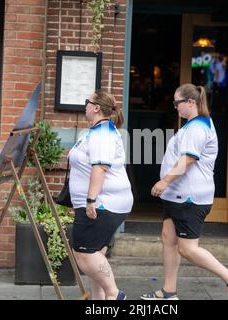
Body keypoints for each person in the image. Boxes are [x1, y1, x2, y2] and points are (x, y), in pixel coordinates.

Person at [140, 83, 228, 301]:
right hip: (177, 196)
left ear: (191, 103)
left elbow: (187, 159)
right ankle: (169, 292)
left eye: (177, 103)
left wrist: (164, 182)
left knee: (187, 249)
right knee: (168, 239)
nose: (175, 107)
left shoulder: (197, 128)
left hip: (189, 197)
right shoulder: (193, 125)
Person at [68, 90, 133, 300]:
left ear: (96, 108)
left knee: (84, 252)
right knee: (96, 253)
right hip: (102, 202)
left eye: (87, 102)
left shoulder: (102, 134)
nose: (84, 105)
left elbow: (100, 167)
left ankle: (114, 293)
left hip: (103, 203)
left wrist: (90, 200)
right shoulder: (94, 131)